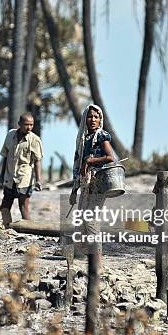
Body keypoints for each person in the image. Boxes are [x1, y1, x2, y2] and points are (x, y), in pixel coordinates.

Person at [68, 104, 116, 255]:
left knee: (91, 219)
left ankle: (97, 259)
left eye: (96, 117)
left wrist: (90, 161)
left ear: (100, 119)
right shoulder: (83, 139)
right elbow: (77, 167)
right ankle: (80, 255)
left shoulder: (101, 136)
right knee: (81, 219)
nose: (93, 120)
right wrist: (74, 191)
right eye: (90, 116)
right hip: (85, 184)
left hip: (98, 183)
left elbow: (110, 157)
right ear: (84, 119)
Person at [0, 113, 43, 227]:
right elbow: (5, 156)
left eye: (31, 125)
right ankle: (7, 228)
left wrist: (38, 180)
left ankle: (30, 231)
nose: (29, 128)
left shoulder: (34, 140)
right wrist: (1, 175)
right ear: (19, 124)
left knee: (23, 207)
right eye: (26, 125)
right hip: (9, 177)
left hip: (24, 178)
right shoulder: (10, 135)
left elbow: (37, 161)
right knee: (4, 206)